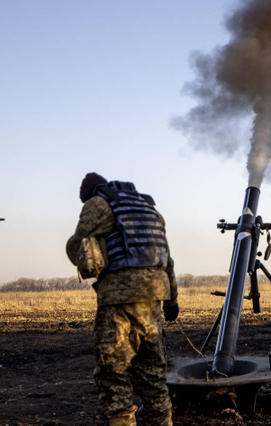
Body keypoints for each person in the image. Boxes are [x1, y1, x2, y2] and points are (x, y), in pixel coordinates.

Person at [67, 172, 179, 426]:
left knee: (113, 372)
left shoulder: (97, 204)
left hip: (118, 301)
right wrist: (172, 300)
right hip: (153, 300)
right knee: (153, 376)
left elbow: (78, 247)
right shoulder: (149, 208)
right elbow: (166, 258)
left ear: (90, 194)